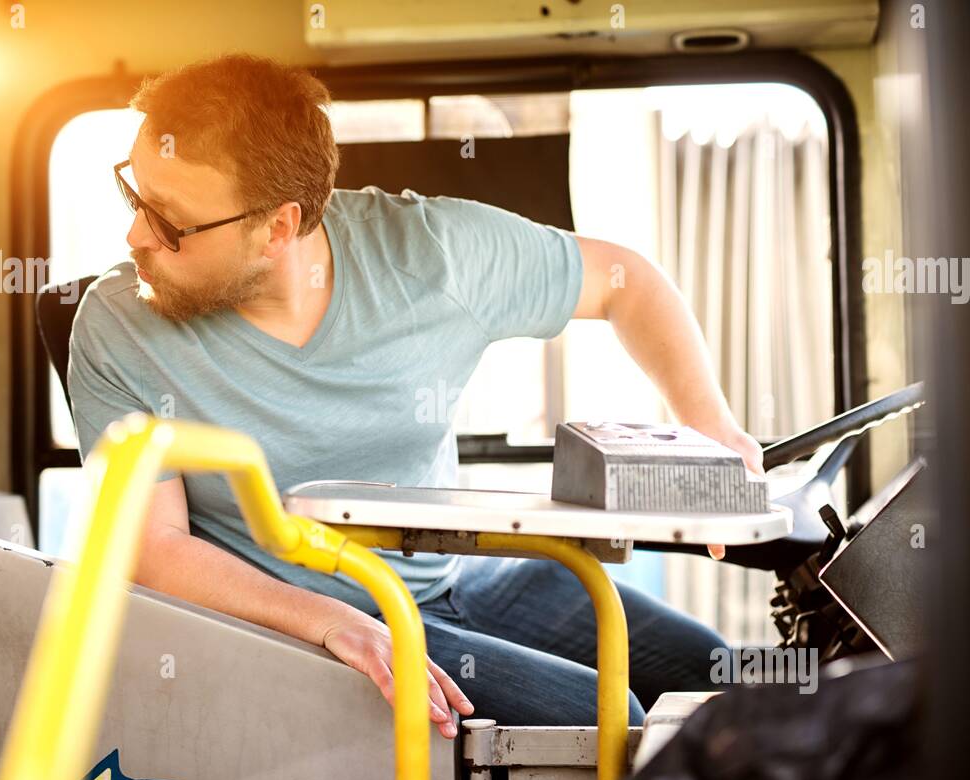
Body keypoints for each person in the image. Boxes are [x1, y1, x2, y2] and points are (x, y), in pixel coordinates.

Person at [68, 54, 764, 741]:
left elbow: (624, 280)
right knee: (608, 719)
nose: (134, 236)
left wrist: (714, 431)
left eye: (169, 220)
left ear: (278, 228)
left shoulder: (433, 255)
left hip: (459, 580)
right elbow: (151, 546)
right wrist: (332, 621)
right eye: (135, 194)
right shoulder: (117, 325)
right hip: (300, 620)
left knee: (729, 676)